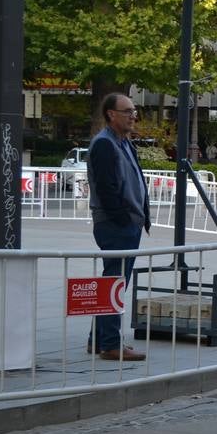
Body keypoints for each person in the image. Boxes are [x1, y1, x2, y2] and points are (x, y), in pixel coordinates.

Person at [86, 93, 150, 361]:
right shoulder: (105, 144)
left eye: (134, 111)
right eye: (127, 111)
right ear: (111, 114)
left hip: (126, 223)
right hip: (116, 225)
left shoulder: (123, 143)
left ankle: (99, 339)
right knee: (115, 282)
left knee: (113, 281)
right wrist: (123, 219)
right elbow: (106, 187)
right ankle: (111, 344)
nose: (133, 116)